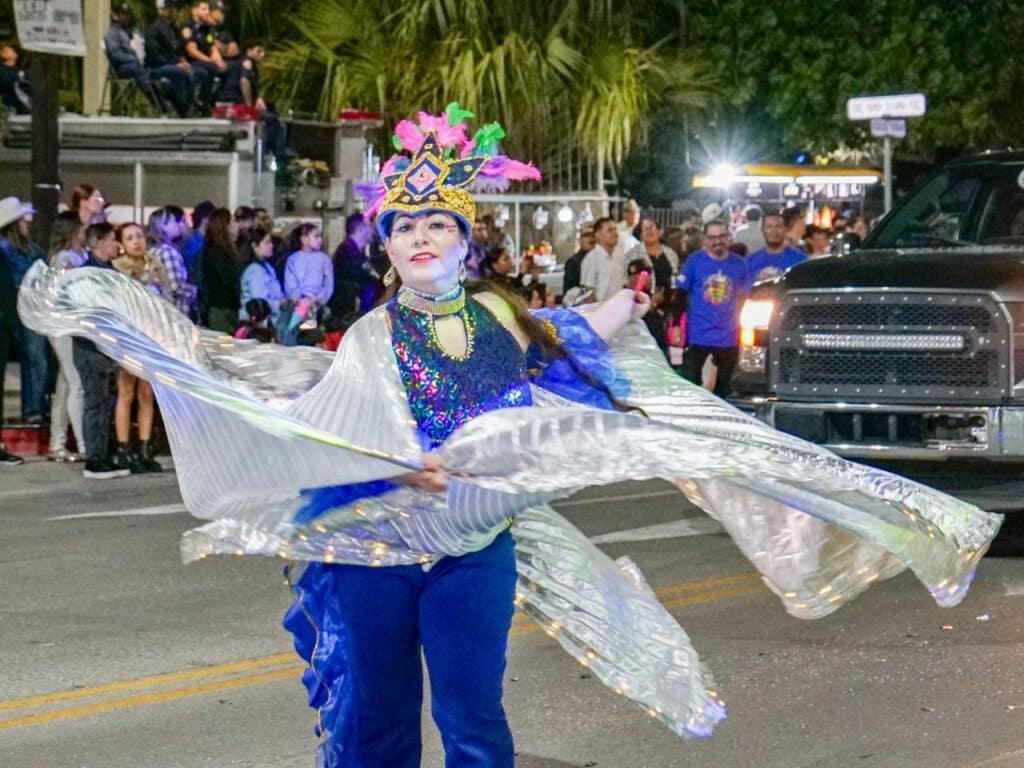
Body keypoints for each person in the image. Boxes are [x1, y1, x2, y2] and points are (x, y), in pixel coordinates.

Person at [16, 105, 1006, 768]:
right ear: (385, 247)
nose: (419, 240)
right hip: (372, 551)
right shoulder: (368, 335)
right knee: (375, 729)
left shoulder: (501, 318)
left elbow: (568, 348)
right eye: (403, 228)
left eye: (436, 226)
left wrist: (621, 312)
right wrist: (382, 462)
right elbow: (330, 426)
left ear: (465, 240)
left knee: (475, 723)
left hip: (471, 550)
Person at [72, 224, 131, 479]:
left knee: (105, 401)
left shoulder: (109, 272)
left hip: (107, 347)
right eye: (111, 239)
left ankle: (103, 454)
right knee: (95, 401)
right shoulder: (86, 275)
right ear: (98, 243)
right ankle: (94, 459)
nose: (115, 245)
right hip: (90, 347)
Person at [112, 223, 169, 474]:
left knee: (147, 393)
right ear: (120, 244)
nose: (136, 241)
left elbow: (167, 297)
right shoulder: (118, 268)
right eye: (130, 238)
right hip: (129, 336)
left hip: (152, 335)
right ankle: (123, 448)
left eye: (139, 236)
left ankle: (145, 449)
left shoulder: (155, 265)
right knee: (126, 392)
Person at [675, 220, 749, 398]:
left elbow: (746, 298)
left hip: (729, 338)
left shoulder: (740, 264)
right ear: (705, 239)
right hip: (698, 336)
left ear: (728, 237)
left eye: (721, 236)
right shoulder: (694, 261)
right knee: (690, 389)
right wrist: (677, 324)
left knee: (725, 392)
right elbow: (680, 294)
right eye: (712, 237)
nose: (717, 241)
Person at [0, 196, 50, 425]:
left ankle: (34, 408)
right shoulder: (5, 251)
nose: (26, 224)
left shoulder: (33, 250)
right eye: (22, 220)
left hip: (28, 309)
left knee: (36, 356)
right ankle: (33, 408)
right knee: (35, 357)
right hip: (13, 309)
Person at [46, 212, 87, 462]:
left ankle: (57, 443)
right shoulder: (65, 258)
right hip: (64, 326)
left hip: (69, 325)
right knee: (76, 383)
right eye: (80, 229)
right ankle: (84, 445)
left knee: (64, 385)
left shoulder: (74, 256)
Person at [143, 0, 194, 118]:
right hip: (155, 67)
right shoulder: (154, 29)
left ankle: (186, 106)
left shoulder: (172, 28)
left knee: (192, 74)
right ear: (160, 10)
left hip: (171, 64)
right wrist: (176, 64)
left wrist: (182, 60)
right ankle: (173, 101)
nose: (171, 11)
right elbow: (154, 55)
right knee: (179, 72)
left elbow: (177, 49)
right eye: (168, 8)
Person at [200, 207, 244, 331]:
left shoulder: (226, 249)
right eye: (233, 221)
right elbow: (228, 277)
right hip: (221, 308)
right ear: (225, 226)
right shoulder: (216, 252)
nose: (238, 225)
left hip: (229, 307)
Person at [148, 206, 198, 316]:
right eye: (172, 221)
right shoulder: (168, 252)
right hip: (177, 311)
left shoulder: (154, 250)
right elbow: (175, 287)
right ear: (162, 227)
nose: (176, 224)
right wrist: (194, 291)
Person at [330, 212, 377, 317]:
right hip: (350, 309)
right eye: (369, 226)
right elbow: (361, 277)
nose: (372, 230)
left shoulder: (353, 251)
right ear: (360, 229)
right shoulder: (347, 251)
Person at [180, 0, 224, 106]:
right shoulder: (188, 27)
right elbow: (191, 51)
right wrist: (210, 61)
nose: (207, 12)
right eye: (203, 9)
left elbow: (212, 47)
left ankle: (214, 101)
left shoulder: (206, 29)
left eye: (208, 9)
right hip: (190, 62)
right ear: (194, 11)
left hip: (205, 62)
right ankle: (202, 100)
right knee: (210, 67)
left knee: (225, 69)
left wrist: (219, 61)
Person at [746, 211, 807, 284]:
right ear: (762, 230)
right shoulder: (750, 261)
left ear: (785, 229)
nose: (774, 231)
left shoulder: (801, 261)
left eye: (778, 227)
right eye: (769, 227)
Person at [238, 226, 284, 325]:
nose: (271, 246)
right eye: (267, 243)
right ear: (255, 246)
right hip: (259, 323)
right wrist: (280, 303)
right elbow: (260, 302)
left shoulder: (267, 267)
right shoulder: (254, 271)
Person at [283, 223, 333, 306]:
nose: (320, 240)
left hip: (318, 303)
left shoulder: (325, 259)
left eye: (320, 236)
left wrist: (317, 298)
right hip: (297, 303)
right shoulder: (293, 259)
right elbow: (289, 285)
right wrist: (300, 298)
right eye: (316, 237)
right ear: (304, 239)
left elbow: (328, 284)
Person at [626, 215, 679, 292]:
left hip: (669, 296)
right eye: (646, 229)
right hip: (643, 297)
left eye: (652, 228)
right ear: (640, 235)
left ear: (659, 231)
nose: (650, 231)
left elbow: (675, 275)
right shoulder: (632, 255)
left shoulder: (671, 253)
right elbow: (628, 281)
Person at [580, 216, 625, 301]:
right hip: (601, 306)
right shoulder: (591, 259)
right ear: (598, 235)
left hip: (619, 305)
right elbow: (587, 291)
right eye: (610, 230)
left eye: (615, 229)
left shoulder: (620, 255)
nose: (615, 233)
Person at [562, 222, 595, 296]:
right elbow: (570, 291)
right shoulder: (573, 263)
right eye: (586, 236)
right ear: (580, 240)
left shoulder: (600, 259)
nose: (591, 239)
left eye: (593, 235)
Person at [0, 43, 31, 114]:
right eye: (6, 50)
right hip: (9, 109)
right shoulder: (2, 70)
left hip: (25, 109)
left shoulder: (19, 71)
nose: (12, 50)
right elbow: (6, 84)